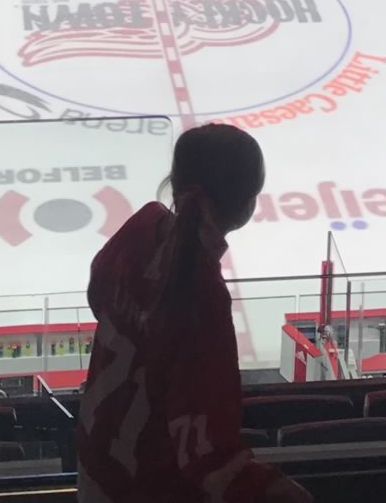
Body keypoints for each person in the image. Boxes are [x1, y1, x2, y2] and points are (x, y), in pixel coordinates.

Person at [78, 124, 312, 503]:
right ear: (248, 202)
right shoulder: (203, 299)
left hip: (98, 475)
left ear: (174, 181)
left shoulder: (139, 231)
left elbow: (98, 295)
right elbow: (207, 456)